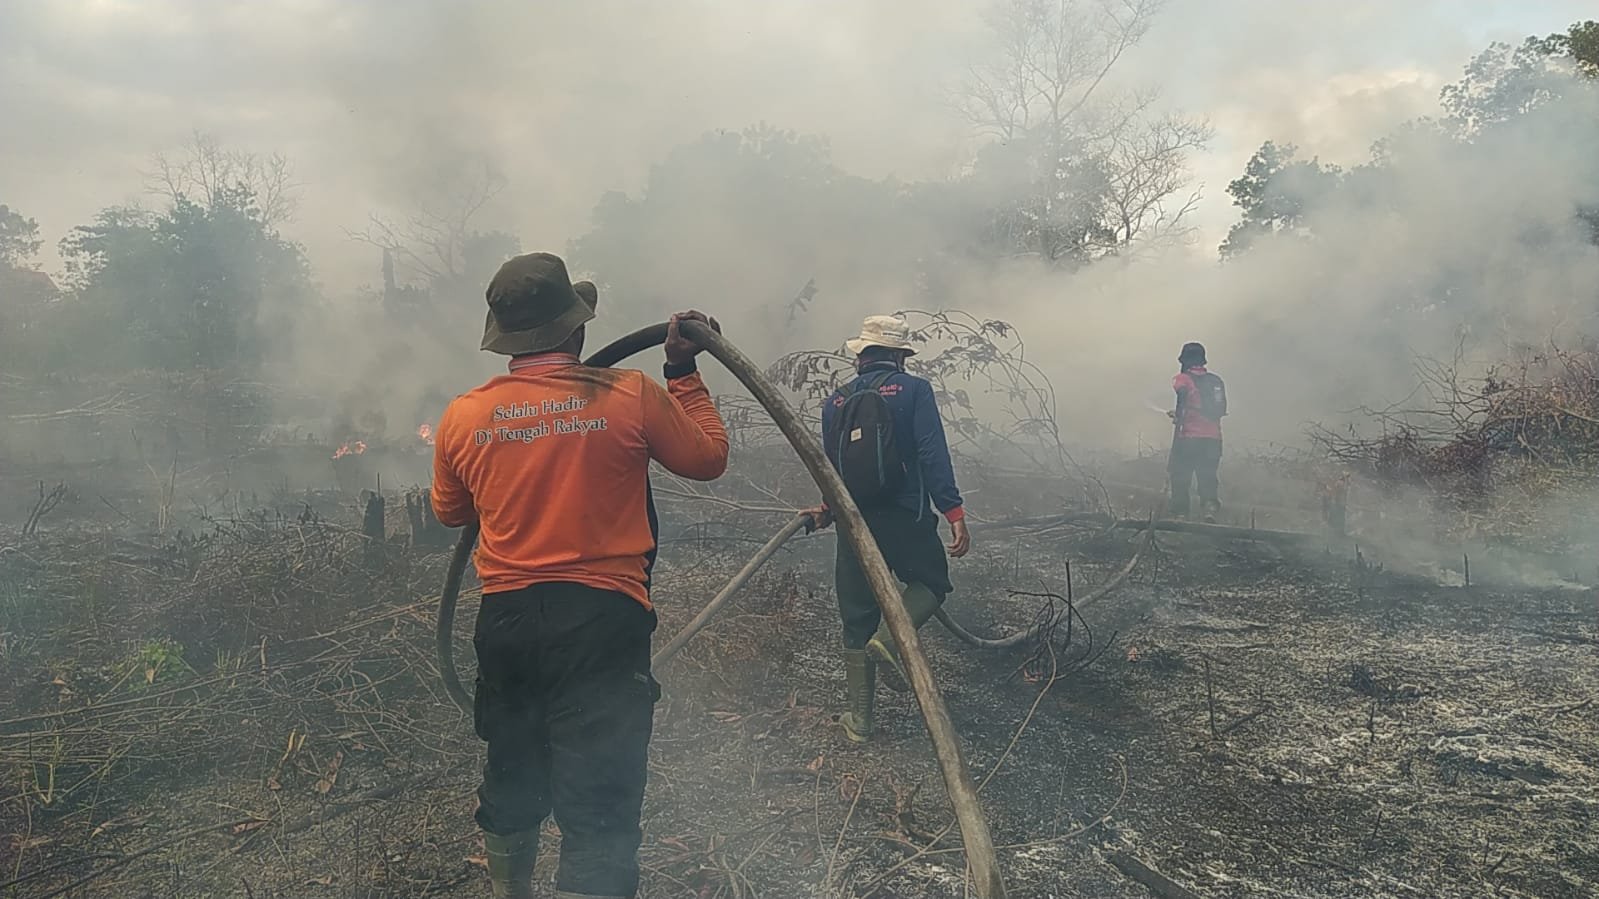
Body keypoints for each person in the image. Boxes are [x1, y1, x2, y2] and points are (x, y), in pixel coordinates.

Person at [430, 252, 729, 899]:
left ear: (504, 339)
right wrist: (680, 370)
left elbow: (450, 510)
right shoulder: (628, 395)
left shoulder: (462, 416)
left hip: (506, 622)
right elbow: (708, 458)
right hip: (599, 624)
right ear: (576, 329)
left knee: (511, 771)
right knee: (597, 808)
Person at [804, 314, 970, 744]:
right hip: (906, 514)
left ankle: (860, 722)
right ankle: (889, 641)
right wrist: (952, 510)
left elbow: (831, 468)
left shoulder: (835, 401)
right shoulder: (914, 391)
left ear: (860, 353)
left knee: (856, 616)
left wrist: (829, 507)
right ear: (899, 355)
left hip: (853, 521)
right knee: (932, 582)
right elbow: (932, 453)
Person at [1168, 341, 1225, 523]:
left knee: (1180, 474)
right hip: (1213, 439)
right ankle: (1209, 508)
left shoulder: (1182, 378)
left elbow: (1182, 397)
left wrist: (1179, 415)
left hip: (1188, 438)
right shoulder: (1216, 381)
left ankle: (1181, 514)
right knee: (1207, 474)